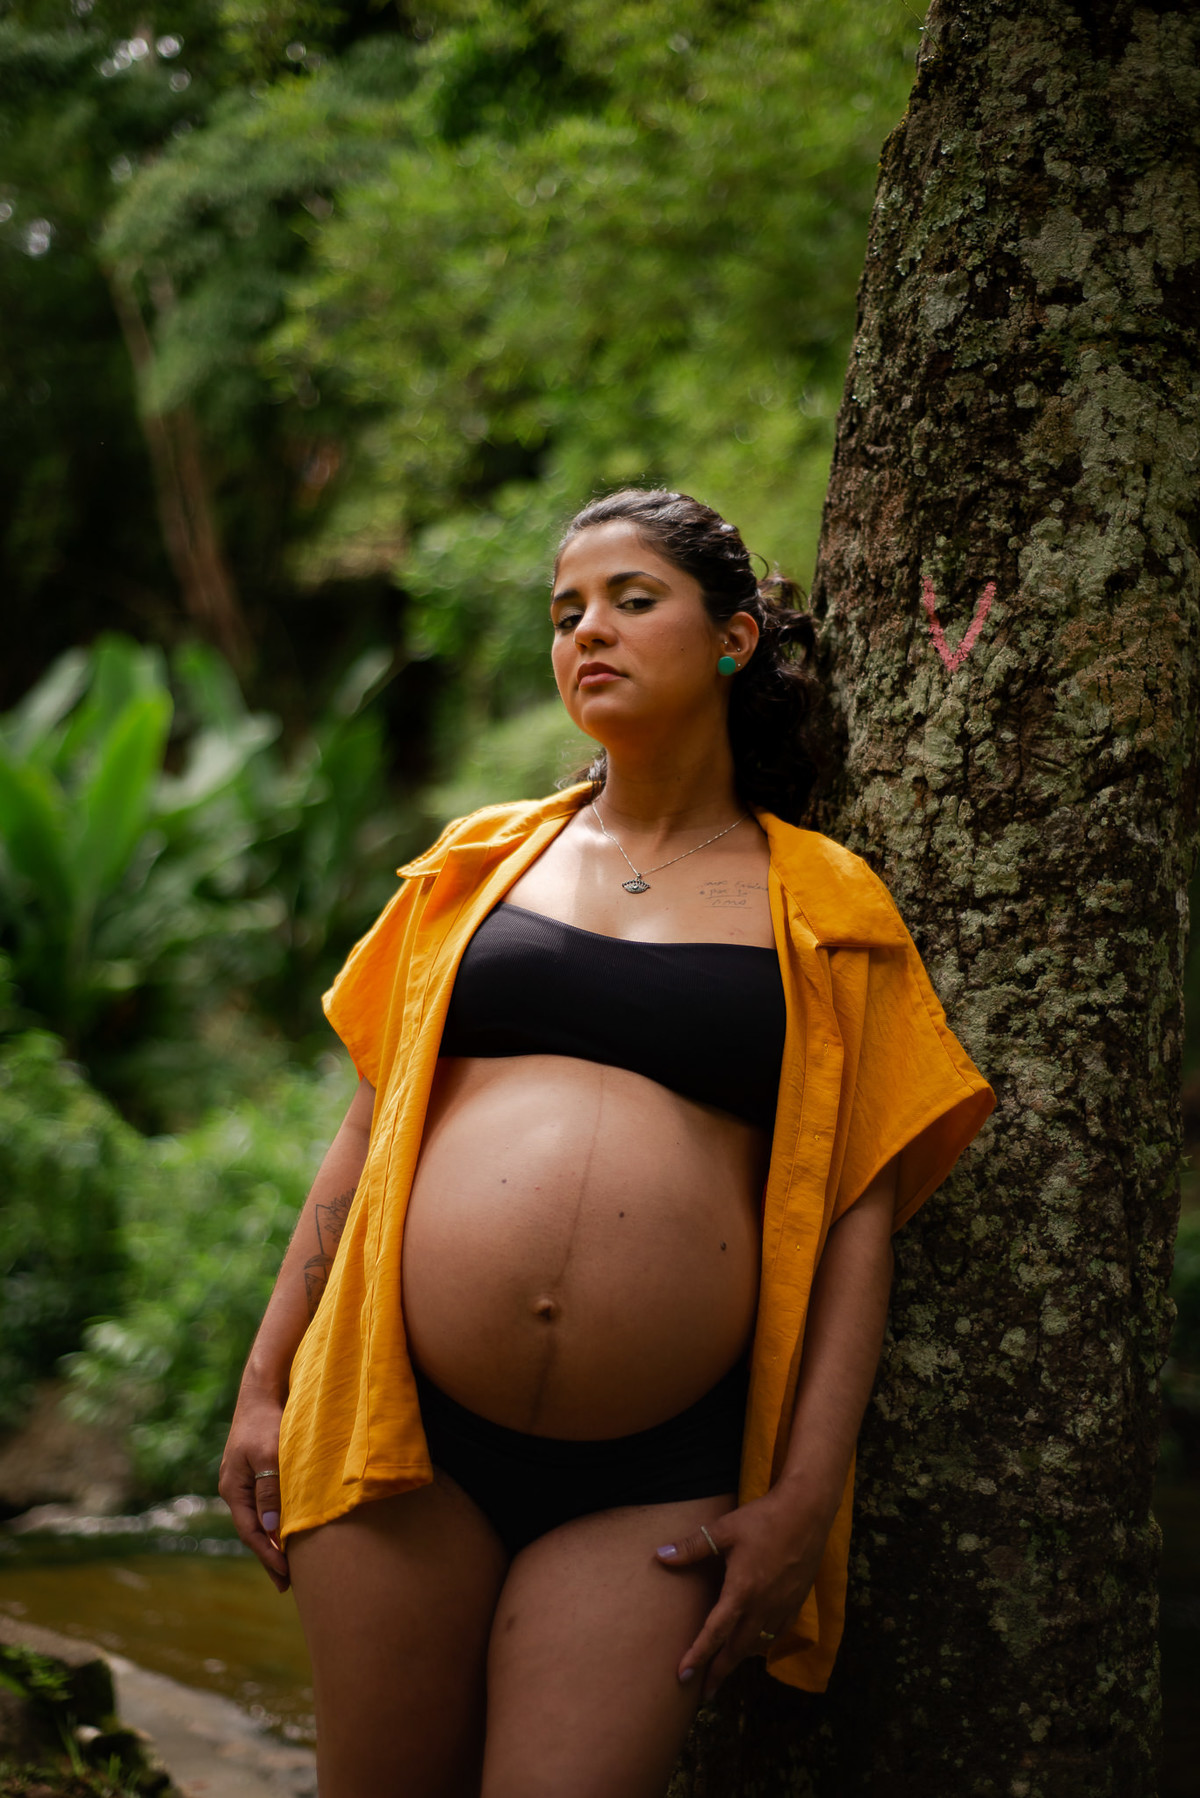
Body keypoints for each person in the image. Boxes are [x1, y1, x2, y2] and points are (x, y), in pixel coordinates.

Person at [219, 488, 993, 1798]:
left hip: (661, 1474)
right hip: (411, 1435)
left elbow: (860, 1218)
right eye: (567, 610)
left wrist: (803, 1501)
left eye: (634, 599)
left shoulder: (825, 900)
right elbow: (364, 1138)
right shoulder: (479, 865)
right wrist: (264, 1382)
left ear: (734, 638)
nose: (590, 630)